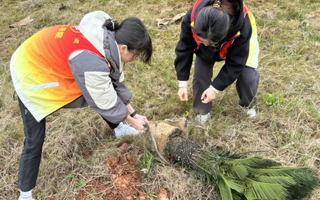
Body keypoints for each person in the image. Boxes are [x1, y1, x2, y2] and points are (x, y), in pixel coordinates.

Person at [10, 11, 152, 200]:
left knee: (100, 87)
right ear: (124, 48)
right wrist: (133, 122)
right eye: (135, 55)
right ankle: (25, 194)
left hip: (46, 52)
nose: (135, 59)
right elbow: (103, 98)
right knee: (34, 138)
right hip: (30, 69)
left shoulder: (108, 38)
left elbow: (114, 82)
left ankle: (118, 128)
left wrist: (134, 114)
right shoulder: (92, 62)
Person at [174, 0, 259, 123]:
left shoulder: (243, 26)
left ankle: (247, 104)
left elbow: (236, 63)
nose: (207, 45)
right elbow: (184, 47)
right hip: (210, 35)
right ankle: (202, 111)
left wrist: (214, 88)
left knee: (247, 77)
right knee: (200, 75)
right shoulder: (191, 18)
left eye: (211, 43)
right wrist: (182, 83)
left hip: (239, 42)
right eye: (202, 40)